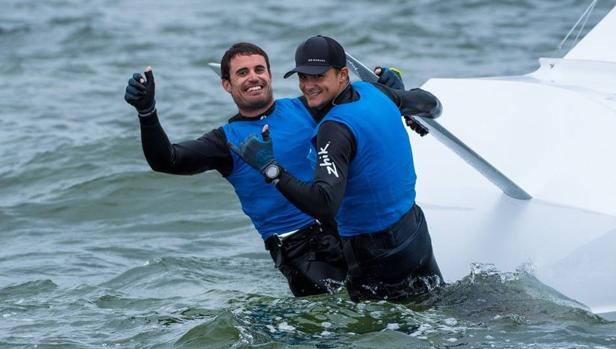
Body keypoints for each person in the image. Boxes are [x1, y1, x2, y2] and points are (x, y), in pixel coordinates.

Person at [123, 42, 406, 297]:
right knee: (342, 317)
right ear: (226, 85)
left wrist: (390, 89)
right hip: (302, 254)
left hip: (344, 229)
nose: (253, 77)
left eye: (259, 69)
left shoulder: (307, 107)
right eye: (242, 73)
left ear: (270, 76)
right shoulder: (226, 142)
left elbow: (361, 109)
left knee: (391, 299)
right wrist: (147, 112)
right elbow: (166, 160)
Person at [231, 35, 443, 302]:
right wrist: (397, 94)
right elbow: (432, 104)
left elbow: (324, 203)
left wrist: (271, 169)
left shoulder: (334, 130)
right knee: (434, 306)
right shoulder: (375, 93)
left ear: (343, 75)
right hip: (414, 232)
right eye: (303, 77)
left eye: (318, 76)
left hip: (375, 252)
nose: (308, 86)